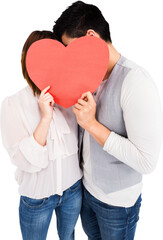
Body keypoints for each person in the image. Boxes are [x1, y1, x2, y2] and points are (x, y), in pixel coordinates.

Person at [53, 1, 163, 240]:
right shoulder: (86, 78)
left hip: (117, 203)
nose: (69, 60)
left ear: (91, 37)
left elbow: (147, 162)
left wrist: (91, 124)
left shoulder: (136, 82)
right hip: (87, 193)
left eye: (70, 50)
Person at [0, 30, 82, 240]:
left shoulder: (71, 97)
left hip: (73, 190)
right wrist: (45, 118)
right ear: (28, 62)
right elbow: (26, 160)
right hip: (36, 198)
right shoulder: (13, 104)